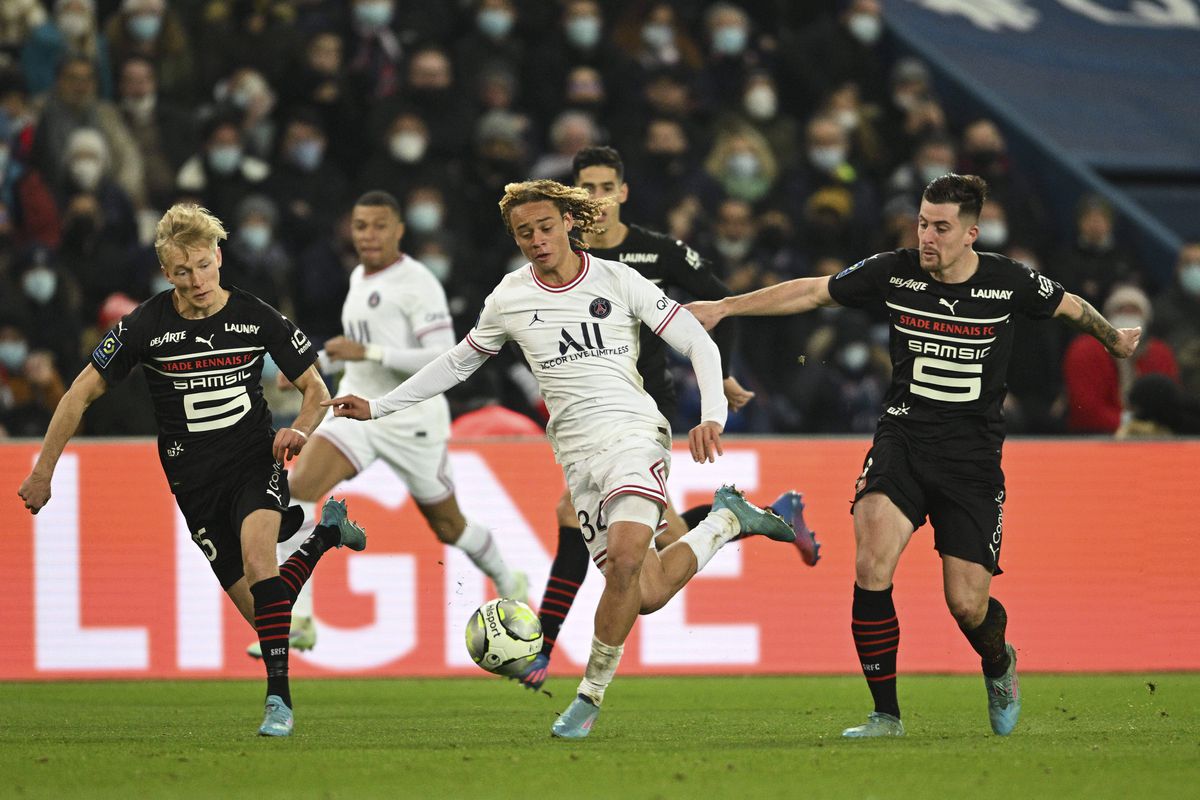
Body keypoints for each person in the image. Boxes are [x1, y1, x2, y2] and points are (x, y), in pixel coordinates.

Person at [324, 179, 800, 739]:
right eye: (524, 232)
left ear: (569, 223)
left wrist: (712, 413)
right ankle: (726, 520)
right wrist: (378, 408)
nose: (536, 239)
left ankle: (588, 698)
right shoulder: (508, 298)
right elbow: (455, 365)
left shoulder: (619, 280)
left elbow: (697, 338)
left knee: (623, 563)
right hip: (575, 455)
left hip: (634, 433)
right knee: (643, 593)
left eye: (545, 227)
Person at [688, 174, 1141, 738]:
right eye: (923, 223)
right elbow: (810, 291)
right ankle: (886, 714)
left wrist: (1111, 338)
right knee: (872, 561)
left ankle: (999, 663)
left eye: (941, 227)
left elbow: (1070, 306)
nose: (928, 236)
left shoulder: (1009, 282)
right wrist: (726, 307)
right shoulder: (893, 270)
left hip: (972, 459)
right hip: (902, 439)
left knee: (967, 605)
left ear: (971, 232)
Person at [18, 203, 367, 737]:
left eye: (203, 265)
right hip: (193, 482)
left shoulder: (256, 316)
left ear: (218, 258)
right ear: (166, 273)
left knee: (259, 561)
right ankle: (323, 536)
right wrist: (43, 472)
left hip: (255, 459)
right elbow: (78, 393)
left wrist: (299, 428)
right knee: (265, 612)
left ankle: (279, 702)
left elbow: (317, 390)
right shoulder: (145, 325)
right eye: (183, 271)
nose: (196, 280)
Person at [513, 145, 820, 692]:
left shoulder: (658, 253)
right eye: (586, 188)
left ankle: (543, 647)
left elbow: (723, 303)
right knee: (665, 540)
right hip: (589, 415)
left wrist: (719, 375)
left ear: (623, 192)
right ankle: (762, 514)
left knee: (575, 514)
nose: (597, 199)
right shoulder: (561, 258)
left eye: (607, 187)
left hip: (643, 408)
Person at [245, 190, 527, 659]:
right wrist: (320, 367)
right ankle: (300, 618)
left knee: (449, 526)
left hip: (411, 419)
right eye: (360, 226)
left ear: (398, 230)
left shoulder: (418, 283)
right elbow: (362, 355)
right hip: (356, 411)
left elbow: (443, 355)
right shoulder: (357, 276)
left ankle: (507, 576)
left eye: (379, 226)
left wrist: (368, 352)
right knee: (294, 491)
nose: (369, 235)